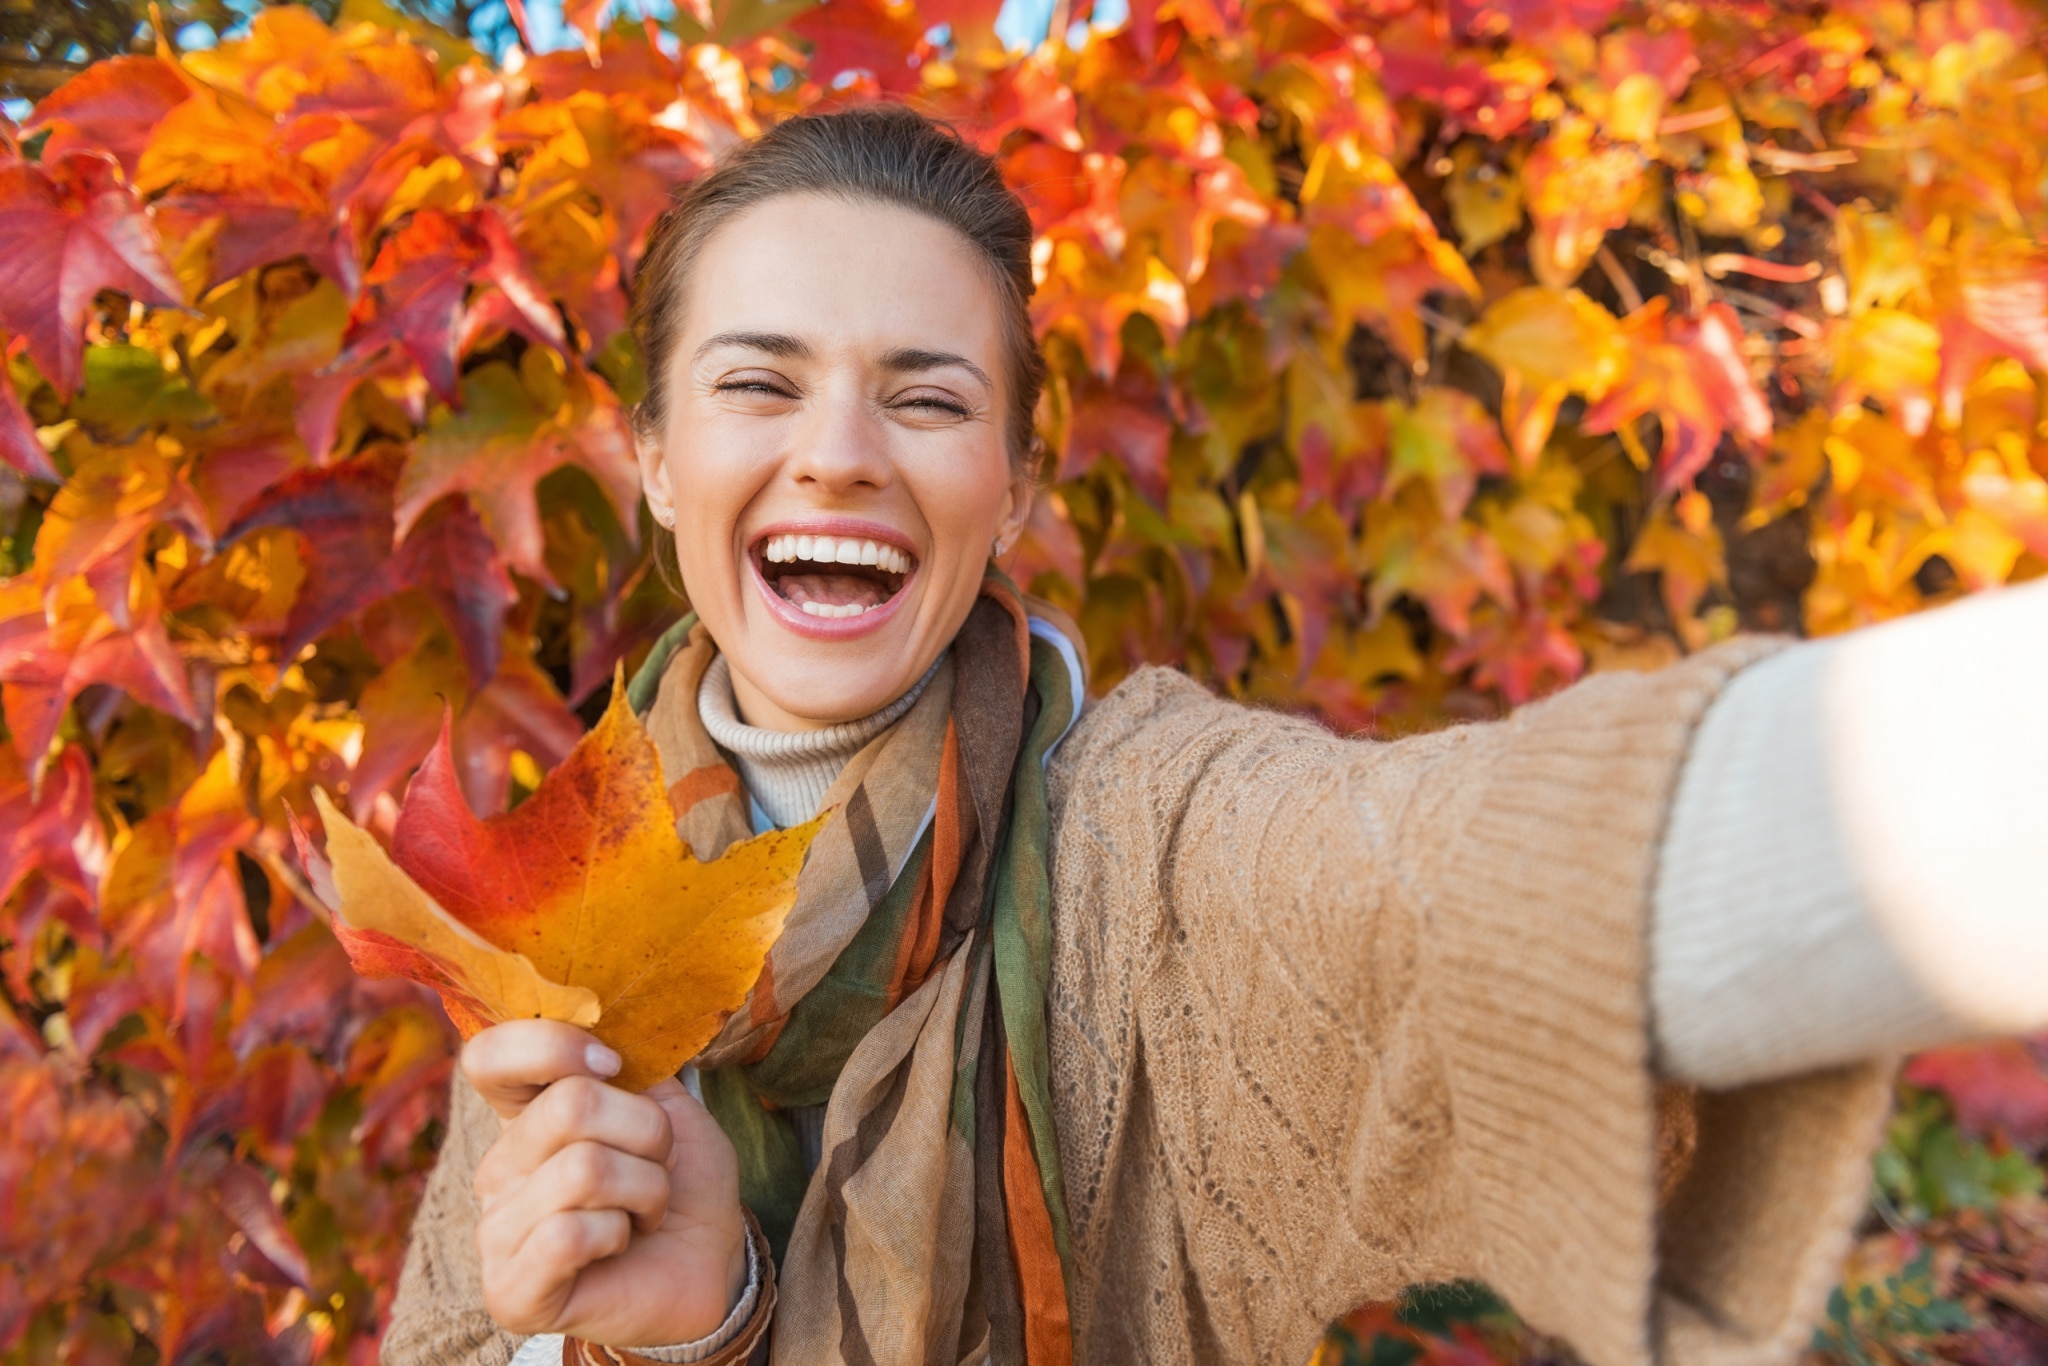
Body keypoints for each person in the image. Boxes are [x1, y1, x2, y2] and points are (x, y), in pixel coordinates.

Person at [381, 105, 2048, 1366]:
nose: (837, 453)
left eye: (928, 394)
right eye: (758, 383)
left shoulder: (1149, 840)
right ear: (657, 457)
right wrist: (688, 1323)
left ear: (1015, 484)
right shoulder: (561, 896)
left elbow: (1448, 870)